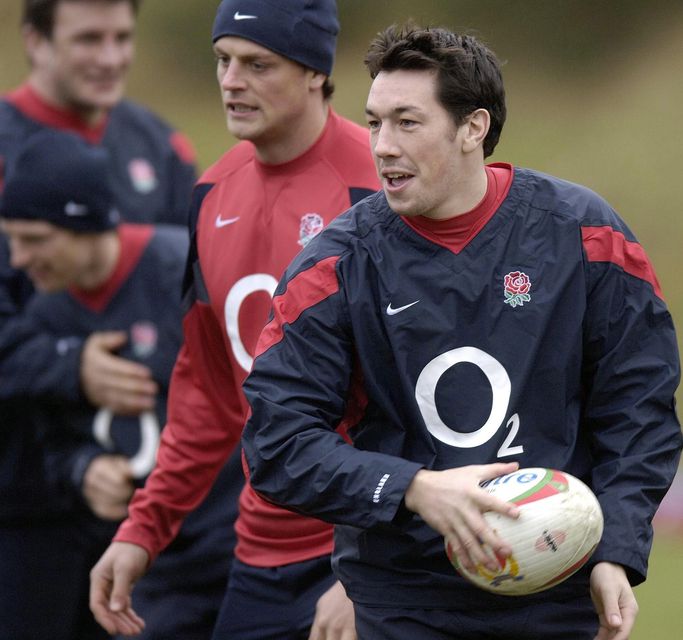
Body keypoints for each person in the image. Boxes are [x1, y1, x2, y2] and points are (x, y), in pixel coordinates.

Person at [240, 23, 683, 640]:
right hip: (405, 598)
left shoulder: (586, 237)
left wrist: (617, 545)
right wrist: (414, 489)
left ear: (473, 127)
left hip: (560, 585)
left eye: (407, 122)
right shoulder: (335, 266)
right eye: (374, 123)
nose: (383, 146)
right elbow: (276, 441)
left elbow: (638, 406)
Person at [89, 1, 380, 638]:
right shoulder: (210, 193)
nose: (231, 80)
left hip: (363, 551)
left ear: (314, 72)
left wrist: (372, 570)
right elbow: (207, 391)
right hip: (259, 550)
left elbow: (422, 395)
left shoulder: (381, 185)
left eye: (257, 63)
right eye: (223, 60)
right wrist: (145, 528)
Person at [0, 1, 242, 637]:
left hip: (166, 514)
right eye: (87, 38)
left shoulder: (158, 145)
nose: (109, 58)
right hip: (27, 495)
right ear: (36, 41)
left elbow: (192, 310)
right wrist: (69, 366)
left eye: (121, 37)